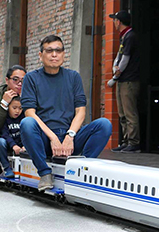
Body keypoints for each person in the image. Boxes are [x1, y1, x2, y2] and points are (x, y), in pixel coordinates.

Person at [20, 35, 112, 191]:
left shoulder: (73, 77)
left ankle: (83, 169)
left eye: (58, 50)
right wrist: (53, 138)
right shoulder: (31, 78)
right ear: (41, 55)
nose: (54, 54)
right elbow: (30, 113)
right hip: (45, 140)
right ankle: (44, 173)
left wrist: (70, 136)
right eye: (49, 51)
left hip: (70, 139)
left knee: (104, 124)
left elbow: (81, 111)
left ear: (63, 54)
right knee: (27, 124)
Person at [108, 10, 141, 153]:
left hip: (129, 80)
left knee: (129, 112)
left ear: (119, 22)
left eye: (115, 20)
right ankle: (126, 141)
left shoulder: (130, 36)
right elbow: (120, 56)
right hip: (122, 80)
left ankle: (134, 142)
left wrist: (117, 72)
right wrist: (115, 68)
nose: (114, 22)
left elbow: (125, 58)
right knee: (122, 113)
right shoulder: (124, 37)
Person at [0, 96, 25, 178]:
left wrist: (25, 145)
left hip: (21, 145)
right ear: (8, 107)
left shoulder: (23, 118)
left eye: (20, 108)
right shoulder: (4, 118)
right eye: (14, 108)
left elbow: (25, 133)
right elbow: (4, 134)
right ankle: (6, 168)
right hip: (8, 144)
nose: (17, 111)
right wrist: (13, 145)